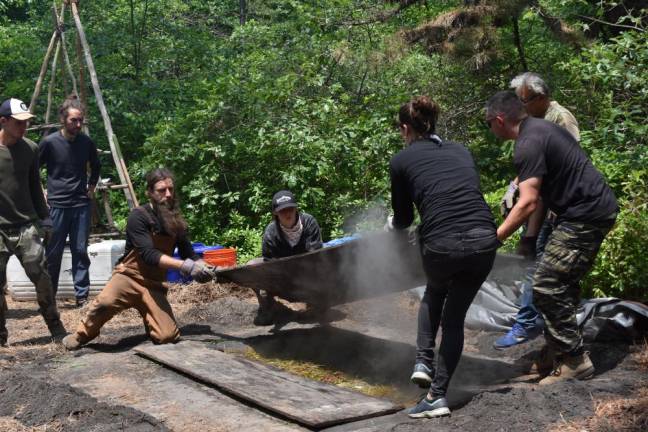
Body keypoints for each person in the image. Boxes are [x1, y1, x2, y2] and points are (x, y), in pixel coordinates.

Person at [485, 91, 618, 384]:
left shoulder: (528, 143)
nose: (490, 130)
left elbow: (528, 202)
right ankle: (558, 349)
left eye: (488, 124)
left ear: (499, 120)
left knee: (546, 284)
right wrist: (529, 238)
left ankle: (575, 361)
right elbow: (541, 196)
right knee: (560, 283)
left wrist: (493, 240)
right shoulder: (539, 130)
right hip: (581, 211)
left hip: (587, 214)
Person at [389, 96, 499, 418]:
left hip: (442, 244)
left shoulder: (401, 160)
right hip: (484, 242)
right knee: (454, 321)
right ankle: (437, 396)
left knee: (434, 291)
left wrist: (391, 227)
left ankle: (423, 360)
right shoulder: (461, 150)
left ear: (405, 128)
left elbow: (404, 219)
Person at [62, 168, 215, 350]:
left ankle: (149, 317)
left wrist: (203, 265)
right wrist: (187, 267)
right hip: (128, 277)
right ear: (149, 193)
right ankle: (80, 336)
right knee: (104, 303)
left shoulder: (175, 220)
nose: (168, 194)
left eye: (171, 189)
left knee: (167, 337)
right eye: (161, 190)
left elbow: (188, 253)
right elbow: (149, 255)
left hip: (154, 284)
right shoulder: (139, 216)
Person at [494, 73, 581, 349]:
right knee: (537, 265)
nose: (520, 107)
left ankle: (528, 323)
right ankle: (543, 327)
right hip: (543, 203)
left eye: (524, 101)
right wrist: (514, 185)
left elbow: (564, 162)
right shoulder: (534, 122)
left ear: (540, 97)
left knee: (542, 270)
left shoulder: (560, 119)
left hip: (558, 208)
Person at [0, 98, 67, 346]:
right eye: (18, 123)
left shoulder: (30, 148)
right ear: (3, 121)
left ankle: (56, 328)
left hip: (26, 224)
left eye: (26, 123)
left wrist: (46, 219)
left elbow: (34, 186)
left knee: (41, 276)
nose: (23, 128)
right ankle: (1, 338)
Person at [39, 95, 101, 307]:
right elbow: (32, 169)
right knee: (53, 254)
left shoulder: (86, 142)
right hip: (57, 205)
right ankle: (49, 297)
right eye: (74, 120)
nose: (78, 124)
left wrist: (91, 188)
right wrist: (42, 192)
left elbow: (96, 165)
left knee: (80, 251)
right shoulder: (49, 142)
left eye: (80, 120)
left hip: (81, 205)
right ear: (63, 119)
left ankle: (81, 296)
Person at [251, 190, 322, 325]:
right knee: (252, 266)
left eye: (290, 208)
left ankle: (316, 303)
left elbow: (316, 256)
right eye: (283, 210)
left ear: (296, 209)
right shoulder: (271, 232)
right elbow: (269, 263)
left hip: (308, 272)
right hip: (282, 275)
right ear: (275, 213)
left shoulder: (309, 223)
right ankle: (268, 307)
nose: (288, 213)